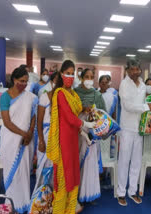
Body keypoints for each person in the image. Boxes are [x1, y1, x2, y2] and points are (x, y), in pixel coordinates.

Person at [47, 60, 95, 214]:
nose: (69, 76)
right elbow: (69, 117)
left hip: (74, 139)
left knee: (73, 175)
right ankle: (60, 210)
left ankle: (70, 209)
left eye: (72, 73)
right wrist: (86, 125)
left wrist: (86, 112)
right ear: (61, 74)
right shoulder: (60, 93)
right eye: (67, 73)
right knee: (64, 177)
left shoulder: (73, 94)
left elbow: (77, 112)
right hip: (63, 141)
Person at [0, 66, 38, 213]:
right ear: (14, 80)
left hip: (26, 141)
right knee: (13, 174)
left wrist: (29, 133)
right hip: (10, 140)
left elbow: (33, 116)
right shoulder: (5, 96)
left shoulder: (31, 97)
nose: (24, 84)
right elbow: (7, 122)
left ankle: (24, 204)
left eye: (26, 82)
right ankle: (12, 205)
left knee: (24, 173)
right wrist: (24, 133)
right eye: (21, 81)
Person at [117, 59, 151, 206]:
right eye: (132, 69)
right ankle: (120, 193)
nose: (135, 72)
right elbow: (127, 106)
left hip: (140, 128)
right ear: (127, 70)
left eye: (138, 69)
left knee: (136, 161)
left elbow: (146, 102)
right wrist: (146, 107)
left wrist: (148, 115)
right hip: (126, 128)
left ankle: (132, 191)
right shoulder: (124, 84)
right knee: (124, 161)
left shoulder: (143, 85)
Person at [74, 68, 106, 204]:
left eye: (91, 77)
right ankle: (76, 193)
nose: (89, 79)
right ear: (81, 78)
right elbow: (69, 112)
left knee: (90, 162)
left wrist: (94, 115)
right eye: (86, 76)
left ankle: (89, 193)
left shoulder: (97, 95)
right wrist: (82, 109)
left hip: (93, 133)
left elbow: (103, 113)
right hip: (77, 131)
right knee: (77, 160)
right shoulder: (74, 93)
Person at [36, 72, 58, 177]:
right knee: (42, 168)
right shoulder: (44, 97)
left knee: (55, 170)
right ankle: (41, 192)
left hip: (58, 137)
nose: (57, 83)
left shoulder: (63, 99)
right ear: (51, 82)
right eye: (56, 80)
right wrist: (41, 140)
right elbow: (39, 122)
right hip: (45, 135)